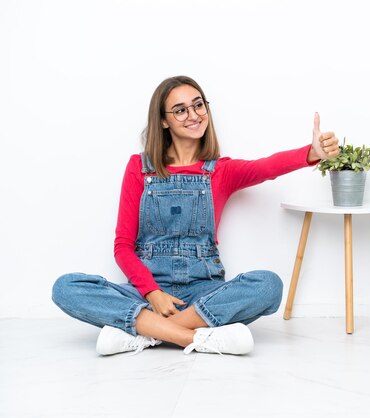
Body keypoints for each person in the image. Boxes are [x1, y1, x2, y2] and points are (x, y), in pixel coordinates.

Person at [51, 75, 339, 356]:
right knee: (66, 287)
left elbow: (266, 167)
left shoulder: (221, 171)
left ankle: (144, 331)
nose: (193, 115)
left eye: (198, 105)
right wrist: (153, 293)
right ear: (163, 120)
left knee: (268, 285)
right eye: (180, 110)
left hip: (202, 293)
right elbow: (123, 247)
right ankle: (194, 337)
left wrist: (311, 152)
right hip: (147, 292)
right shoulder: (139, 167)